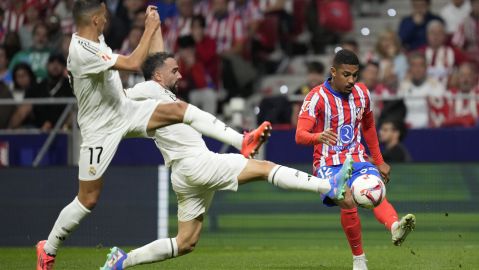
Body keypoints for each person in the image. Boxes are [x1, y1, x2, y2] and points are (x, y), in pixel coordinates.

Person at [35, 1, 284, 269]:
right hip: (99, 128)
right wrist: (149, 27)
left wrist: (155, 30)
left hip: (124, 108)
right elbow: (133, 63)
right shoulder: (83, 50)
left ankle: (242, 140)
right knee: (88, 199)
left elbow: (157, 63)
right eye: (104, 17)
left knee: (177, 109)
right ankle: (47, 249)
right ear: (95, 20)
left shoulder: (93, 36)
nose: (107, 21)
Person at [99, 52, 354, 270]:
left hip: (184, 173)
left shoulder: (160, 94)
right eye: (174, 71)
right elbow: (120, 96)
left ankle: (122, 261)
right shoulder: (148, 89)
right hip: (197, 163)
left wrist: (153, 25)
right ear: (157, 76)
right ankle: (328, 186)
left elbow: (153, 58)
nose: (179, 75)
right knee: (265, 168)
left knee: (185, 242)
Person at [295, 49, 416, 270]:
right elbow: (299, 135)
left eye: (355, 75)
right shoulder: (316, 97)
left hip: (357, 157)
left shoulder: (362, 93)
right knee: (348, 199)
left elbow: (368, 126)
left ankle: (394, 227)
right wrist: (318, 136)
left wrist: (379, 161)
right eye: (346, 74)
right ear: (333, 72)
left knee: (375, 190)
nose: (351, 80)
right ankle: (359, 260)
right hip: (327, 163)